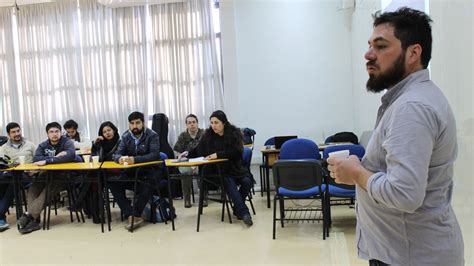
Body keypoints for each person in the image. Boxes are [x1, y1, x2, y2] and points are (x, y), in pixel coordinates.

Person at [327, 8, 463, 265]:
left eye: (380, 46)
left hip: (411, 257)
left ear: (413, 53)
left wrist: (356, 173)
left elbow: (403, 194)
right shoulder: (408, 100)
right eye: (369, 45)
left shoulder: (411, 108)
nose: (368, 54)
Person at [184, 110, 253, 227]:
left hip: (235, 168)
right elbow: (198, 150)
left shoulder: (234, 133)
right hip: (217, 171)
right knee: (228, 180)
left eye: (216, 122)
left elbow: (236, 152)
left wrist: (218, 154)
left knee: (247, 181)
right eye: (211, 123)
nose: (213, 125)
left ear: (224, 123)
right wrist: (186, 154)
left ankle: (237, 207)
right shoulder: (208, 135)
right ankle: (244, 213)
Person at [17, 122, 76, 234]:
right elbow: (36, 159)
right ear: (47, 134)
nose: (54, 134)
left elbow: (70, 155)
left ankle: (28, 215)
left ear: (61, 132)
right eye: (51, 132)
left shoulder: (67, 142)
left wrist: (47, 160)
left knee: (45, 192)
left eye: (56, 131)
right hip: (44, 175)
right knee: (32, 190)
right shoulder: (43, 145)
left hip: (62, 176)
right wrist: (55, 158)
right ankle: (35, 220)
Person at [110, 111, 160, 231]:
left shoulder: (152, 135)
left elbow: (154, 154)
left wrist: (135, 160)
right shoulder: (126, 136)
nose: (135, 126)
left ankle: (135, 214)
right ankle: (130, 213)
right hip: (131, 171)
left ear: (143, 123)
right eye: (132, 123)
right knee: (112, 182)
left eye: (137, 123)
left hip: (149, 171)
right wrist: (120, 158)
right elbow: (117, 154)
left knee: (148, 183)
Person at [69, 121, 121, 223]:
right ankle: (97, 214)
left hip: (117, 170)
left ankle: (82, 204)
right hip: (102, 172)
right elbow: (94, 159)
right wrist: (96, 145)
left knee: (92, 176)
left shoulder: (120, 142)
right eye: (104, 131)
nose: (107, 133)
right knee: (94, 181)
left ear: (114, 130)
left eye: (109, 130)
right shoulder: (101, 144)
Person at [0, 122, 36, 231]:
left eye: (18, 131)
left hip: (26, 175)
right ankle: (1, 217)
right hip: (9, 175)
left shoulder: (30, 145)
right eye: (13, 132)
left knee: (12, 184)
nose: (17, 134)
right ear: (8, 134)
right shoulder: (3, 148)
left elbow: (39, 159)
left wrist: (35, 171)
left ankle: (0, 216)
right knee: (3, 183)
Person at [173, 114, 204, 208]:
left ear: (197, 123)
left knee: (204, 169)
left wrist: (197, 164)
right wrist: (180, 157)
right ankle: (187, 199)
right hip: (186, 162)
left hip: (202, 161)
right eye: (189, 123)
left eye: (194, 122)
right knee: (186, 171)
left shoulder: (204, 134)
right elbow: (177, 151)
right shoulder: (183, 136)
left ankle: (203, 197)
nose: (192, 124)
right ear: (186, 125)